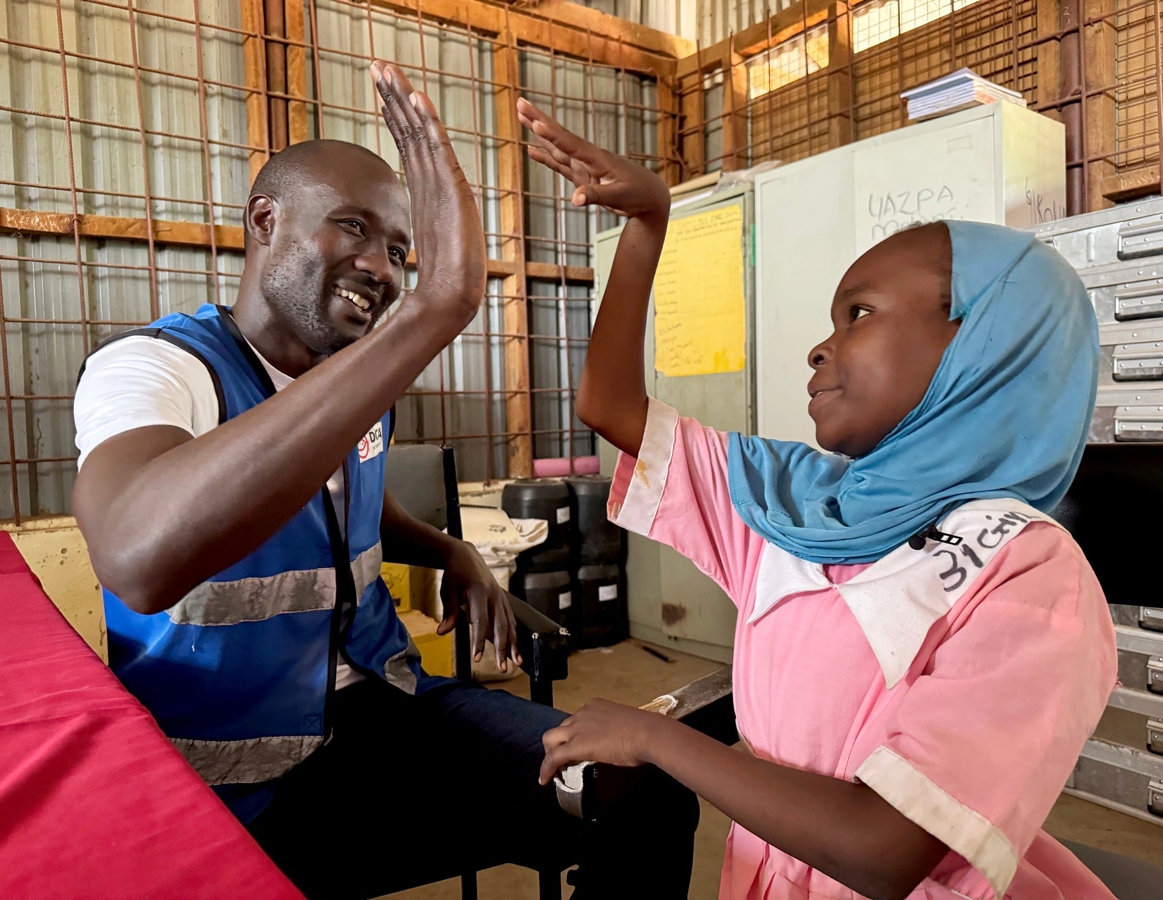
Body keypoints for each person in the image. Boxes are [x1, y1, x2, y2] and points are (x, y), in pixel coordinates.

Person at [71, 63, 696, 899]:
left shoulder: (354, 379)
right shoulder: (154, 369)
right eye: (352, 228)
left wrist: (449, 550)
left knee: (643, 791)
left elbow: (348, 506)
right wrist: (436, 310)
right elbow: (134, 555)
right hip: (229, 778)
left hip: (385, 715)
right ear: (265, 221)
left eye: (400, 250)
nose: (382, 266)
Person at [517, 96, 1119, 900]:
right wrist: (648, 227)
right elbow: (611, 408)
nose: (819, 345)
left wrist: (657, 739)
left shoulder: (1029, 573)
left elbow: (882, 848)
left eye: (859, 314)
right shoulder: (793, 502)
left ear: (978, 343)